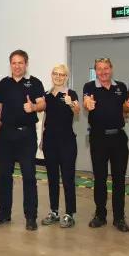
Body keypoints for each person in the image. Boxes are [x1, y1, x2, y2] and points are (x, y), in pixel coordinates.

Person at [0, 50, 45, 231]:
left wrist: (33, 107)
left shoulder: (35, 82)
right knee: (4, 176)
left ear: (26, 64)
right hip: (6, 136)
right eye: (14, 63)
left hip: (26, 136)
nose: (17, 66)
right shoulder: (4, 83)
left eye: (20, 62)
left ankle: (31, 216)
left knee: (29, 176)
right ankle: (4, 213)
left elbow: (42, 104)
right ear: (10, 64)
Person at [83, 57, 129, 232]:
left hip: (118, 138)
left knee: (119, 179)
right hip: (98, 138)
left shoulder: (121, 87)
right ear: (95, 71)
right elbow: (86, 102)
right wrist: (88, 104)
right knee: (100, 178)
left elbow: (126, 109)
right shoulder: (90, 86)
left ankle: (119, 217)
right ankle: (100, 215)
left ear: (111, 69)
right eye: (99, 69)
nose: (103, 72)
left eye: (106, 68)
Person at [40, 64, 80, 228]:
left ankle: (69, 213)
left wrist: (71, 104)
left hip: (67, 142)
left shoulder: (71, 94)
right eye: (56, 74)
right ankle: (54, 211)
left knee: (68, 178)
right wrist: (42, 138)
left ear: (66, 77)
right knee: (52, 178)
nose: (58, 77)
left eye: (62, 74)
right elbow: (45, 117)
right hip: (49, 141)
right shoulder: (46, 95)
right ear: (52, 75)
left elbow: (77, 111)